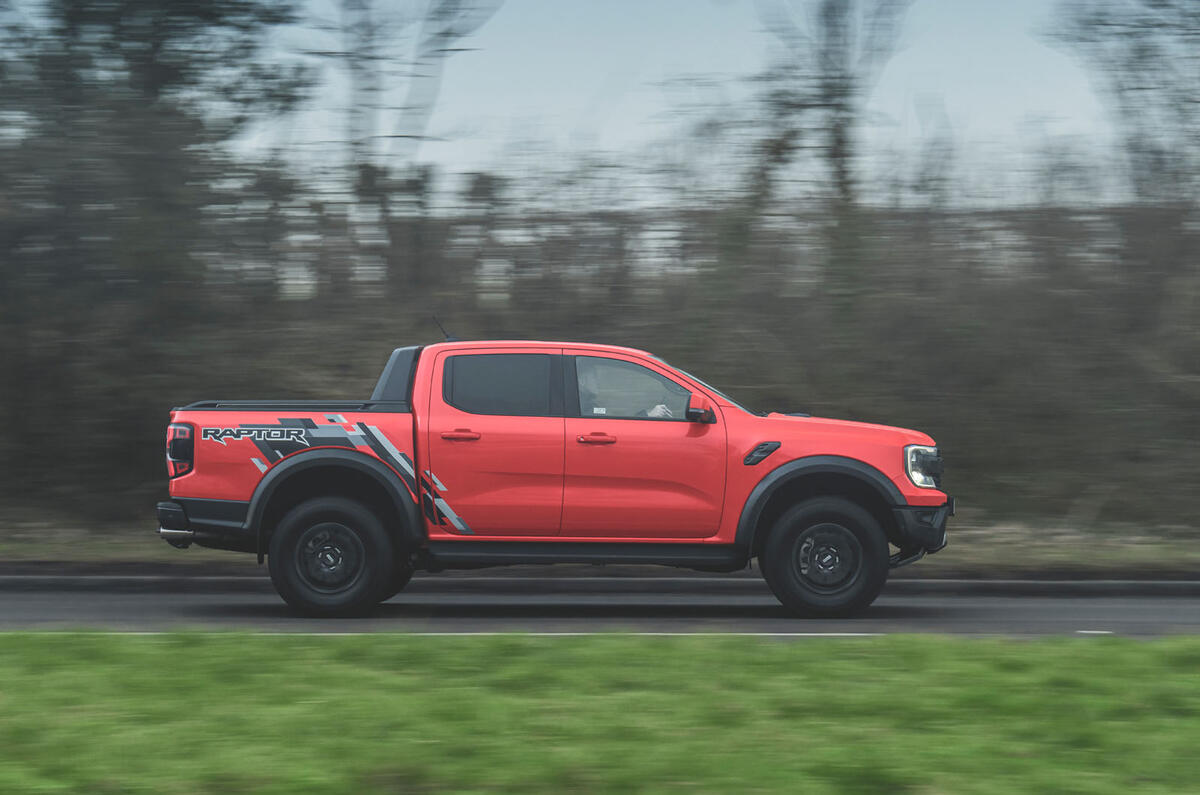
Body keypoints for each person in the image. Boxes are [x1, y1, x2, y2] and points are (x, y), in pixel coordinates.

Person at [578, 361, 673, 418]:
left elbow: (609, 417)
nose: (598, 381)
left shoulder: (587, 405)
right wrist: (648, 415)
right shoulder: (583, 406)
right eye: (594, 377)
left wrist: (647, 413)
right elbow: (614, 428)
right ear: (582, 380)